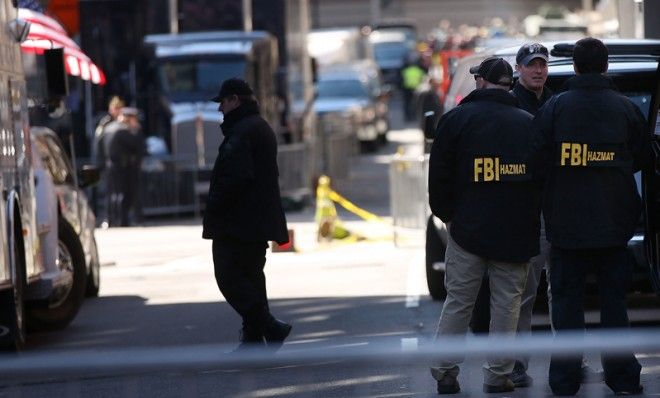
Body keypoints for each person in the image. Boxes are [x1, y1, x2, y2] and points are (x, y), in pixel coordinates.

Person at [536, 37, 651, 396]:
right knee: (615, 306)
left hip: (567, 226)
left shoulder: (555, 108)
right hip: (614, 225)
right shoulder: (625, 109)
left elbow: (536, 159)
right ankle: (622, 378)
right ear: (604, 67)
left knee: (567, 306)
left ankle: (565, 380)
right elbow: (646, 158)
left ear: (575, 67)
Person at [428, 57, 542, 394]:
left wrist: (448, 215)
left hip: (467, 230)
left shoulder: (456, 120)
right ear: (509, 84)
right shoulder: (528, 123)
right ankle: (497, 375)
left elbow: (439, 177)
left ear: (480, 82)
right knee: (507, 304)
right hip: (514, 231)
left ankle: (444, 371)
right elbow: (540, 179)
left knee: (459, 302)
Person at [204, 78, 292, 351]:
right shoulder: (257, 127)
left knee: (229, 277)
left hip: (238, 223)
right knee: (252, 278)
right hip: (255, 221)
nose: (220, 110)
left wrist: (214, 206)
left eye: (223, 103)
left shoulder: (242, 132)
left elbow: (234, 177)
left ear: (235, 100)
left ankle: (269, 327)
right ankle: (254, 340)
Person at [104, 107, 146, 227]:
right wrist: (137, 130)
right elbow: (138, 146)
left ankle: (111, 219)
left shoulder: (108, 128)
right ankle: (122, 221)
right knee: (122, 194)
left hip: (110, 165)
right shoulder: (122, 131)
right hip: (122, 167)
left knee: (112, 194)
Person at [93, 96, 125, 226]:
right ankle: (107, 218)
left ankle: (119, 218)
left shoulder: (123, 123)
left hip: (120, 163)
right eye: (116, 108)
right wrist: (100, 163)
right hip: (107, 162)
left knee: (119, 193)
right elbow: (98, 144)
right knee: (107, 193)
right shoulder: (105, 124)